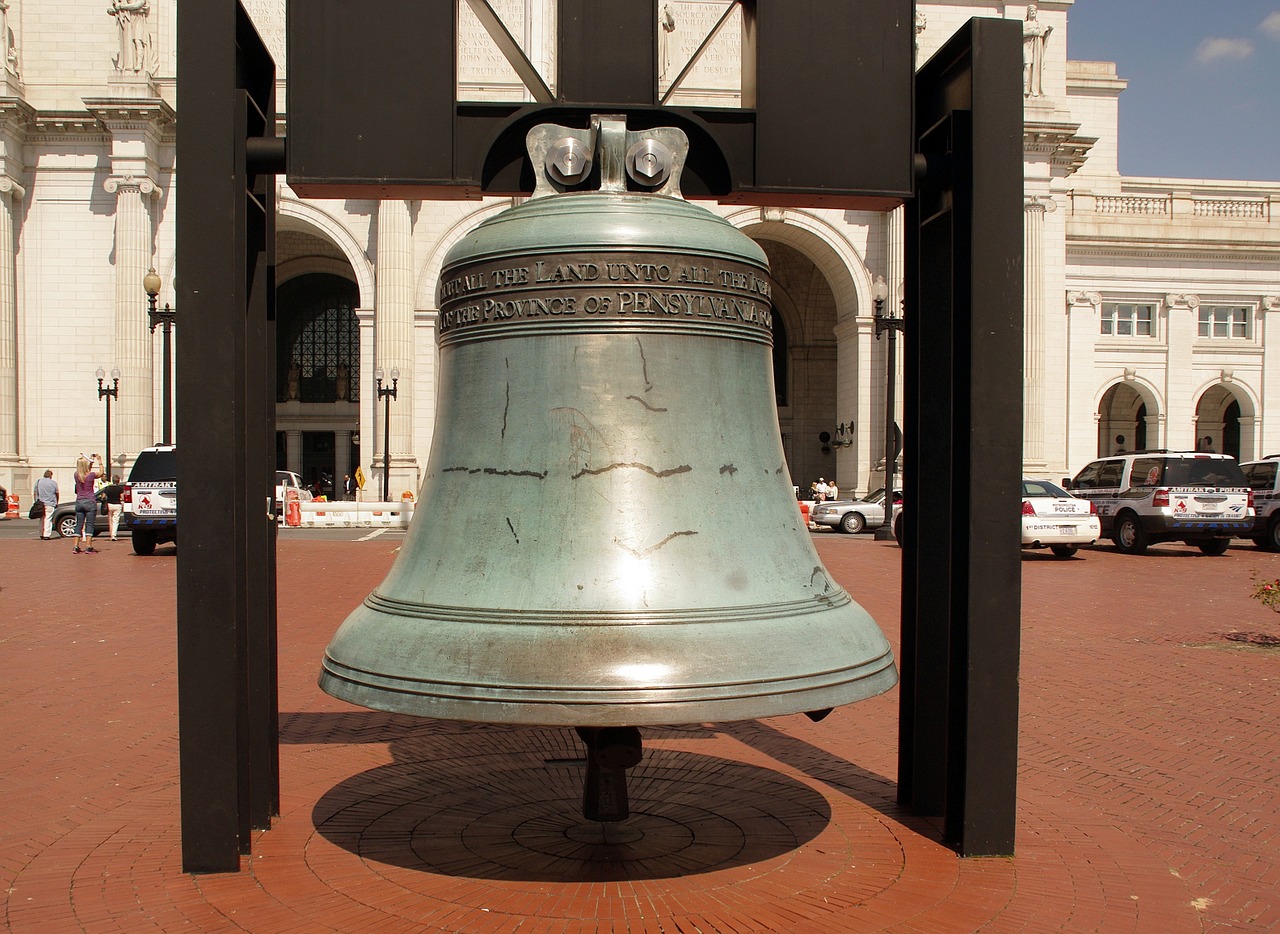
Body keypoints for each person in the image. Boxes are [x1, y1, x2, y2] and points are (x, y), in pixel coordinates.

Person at [72, 454, 104, 553]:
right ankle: (88, 546)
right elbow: (101, 473)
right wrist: (100, 461)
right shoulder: (91, 475)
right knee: (89, 524)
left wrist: (90, 460)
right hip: (90, 501)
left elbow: (85, 470)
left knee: (79, 524)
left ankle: (76, 546)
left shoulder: (76, 475)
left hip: (79, 501)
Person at [33, 469, 58, 539]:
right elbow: (56, 493)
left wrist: (35, 501)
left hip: (40, 503)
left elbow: (35, 492)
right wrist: (56, 502)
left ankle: (41, 533)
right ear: (51, 476)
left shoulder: (38, 481)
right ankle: (46, 534)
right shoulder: (53, 483)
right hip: (50, 503)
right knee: (48, 519)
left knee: (42, 519)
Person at [100, 474, 125, 541]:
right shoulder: (120, 488)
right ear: (118, 481)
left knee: (110, 520)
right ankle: (114, 535)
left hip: (110, 504)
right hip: (117, 505)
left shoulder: (108, 488)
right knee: (116, 520)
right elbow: (122, 497)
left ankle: (111, 534)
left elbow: (103, 496)